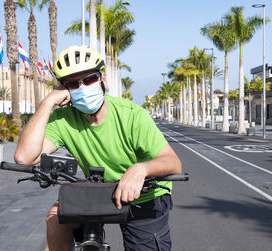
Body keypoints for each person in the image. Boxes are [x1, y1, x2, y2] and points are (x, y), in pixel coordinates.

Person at [14, 45, 182, 251]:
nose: (83, 87)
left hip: (144, 195)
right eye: (73, 84)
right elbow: (25, 157)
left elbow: (173, 162)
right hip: (97, 192)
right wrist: (48, 102)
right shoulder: (63, 119)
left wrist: (141, 169)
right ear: (64, 90)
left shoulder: (132, 115)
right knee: (55, 220)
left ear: (103, 80)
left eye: (90, 79)